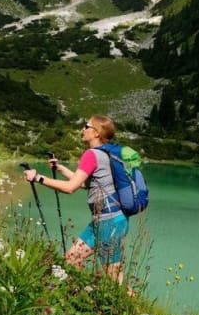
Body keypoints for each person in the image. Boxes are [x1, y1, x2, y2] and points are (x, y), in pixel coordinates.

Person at [24, 115, 129, 284]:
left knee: (115, 281)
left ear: (96, 133)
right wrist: (60, 168)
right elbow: (84, 184)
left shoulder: (92, 155)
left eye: (86, 126)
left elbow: (70, 188)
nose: (82, 129)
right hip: (105, 220)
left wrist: (38, 178)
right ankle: (79, 294)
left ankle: (131, 308)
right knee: (72, 261)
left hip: (108, 222)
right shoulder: (105, 153)